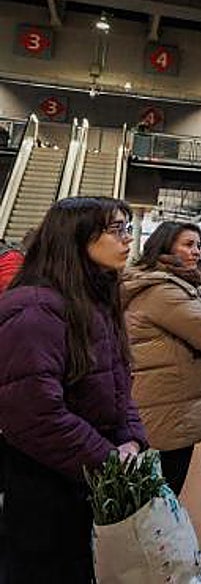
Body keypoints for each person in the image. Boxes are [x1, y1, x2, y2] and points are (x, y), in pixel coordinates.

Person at [0, 197, 147, 582]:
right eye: (117, 230)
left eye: (127, 229)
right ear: (76, 238)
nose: (127, 240)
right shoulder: (35, 310)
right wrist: (109, 459)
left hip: (84, 480)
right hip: (46, 490)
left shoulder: (94, 301)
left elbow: (120, 386)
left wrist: (131, 439)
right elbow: (33, 414)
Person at [122, 222, 201, 496]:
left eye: (198, 245)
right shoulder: (165, 291)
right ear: (165, 246)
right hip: (170, 409)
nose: (197, 252)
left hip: (159, 400)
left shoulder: (152, 281)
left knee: (154, 493)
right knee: (164, 494)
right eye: (188, 244)